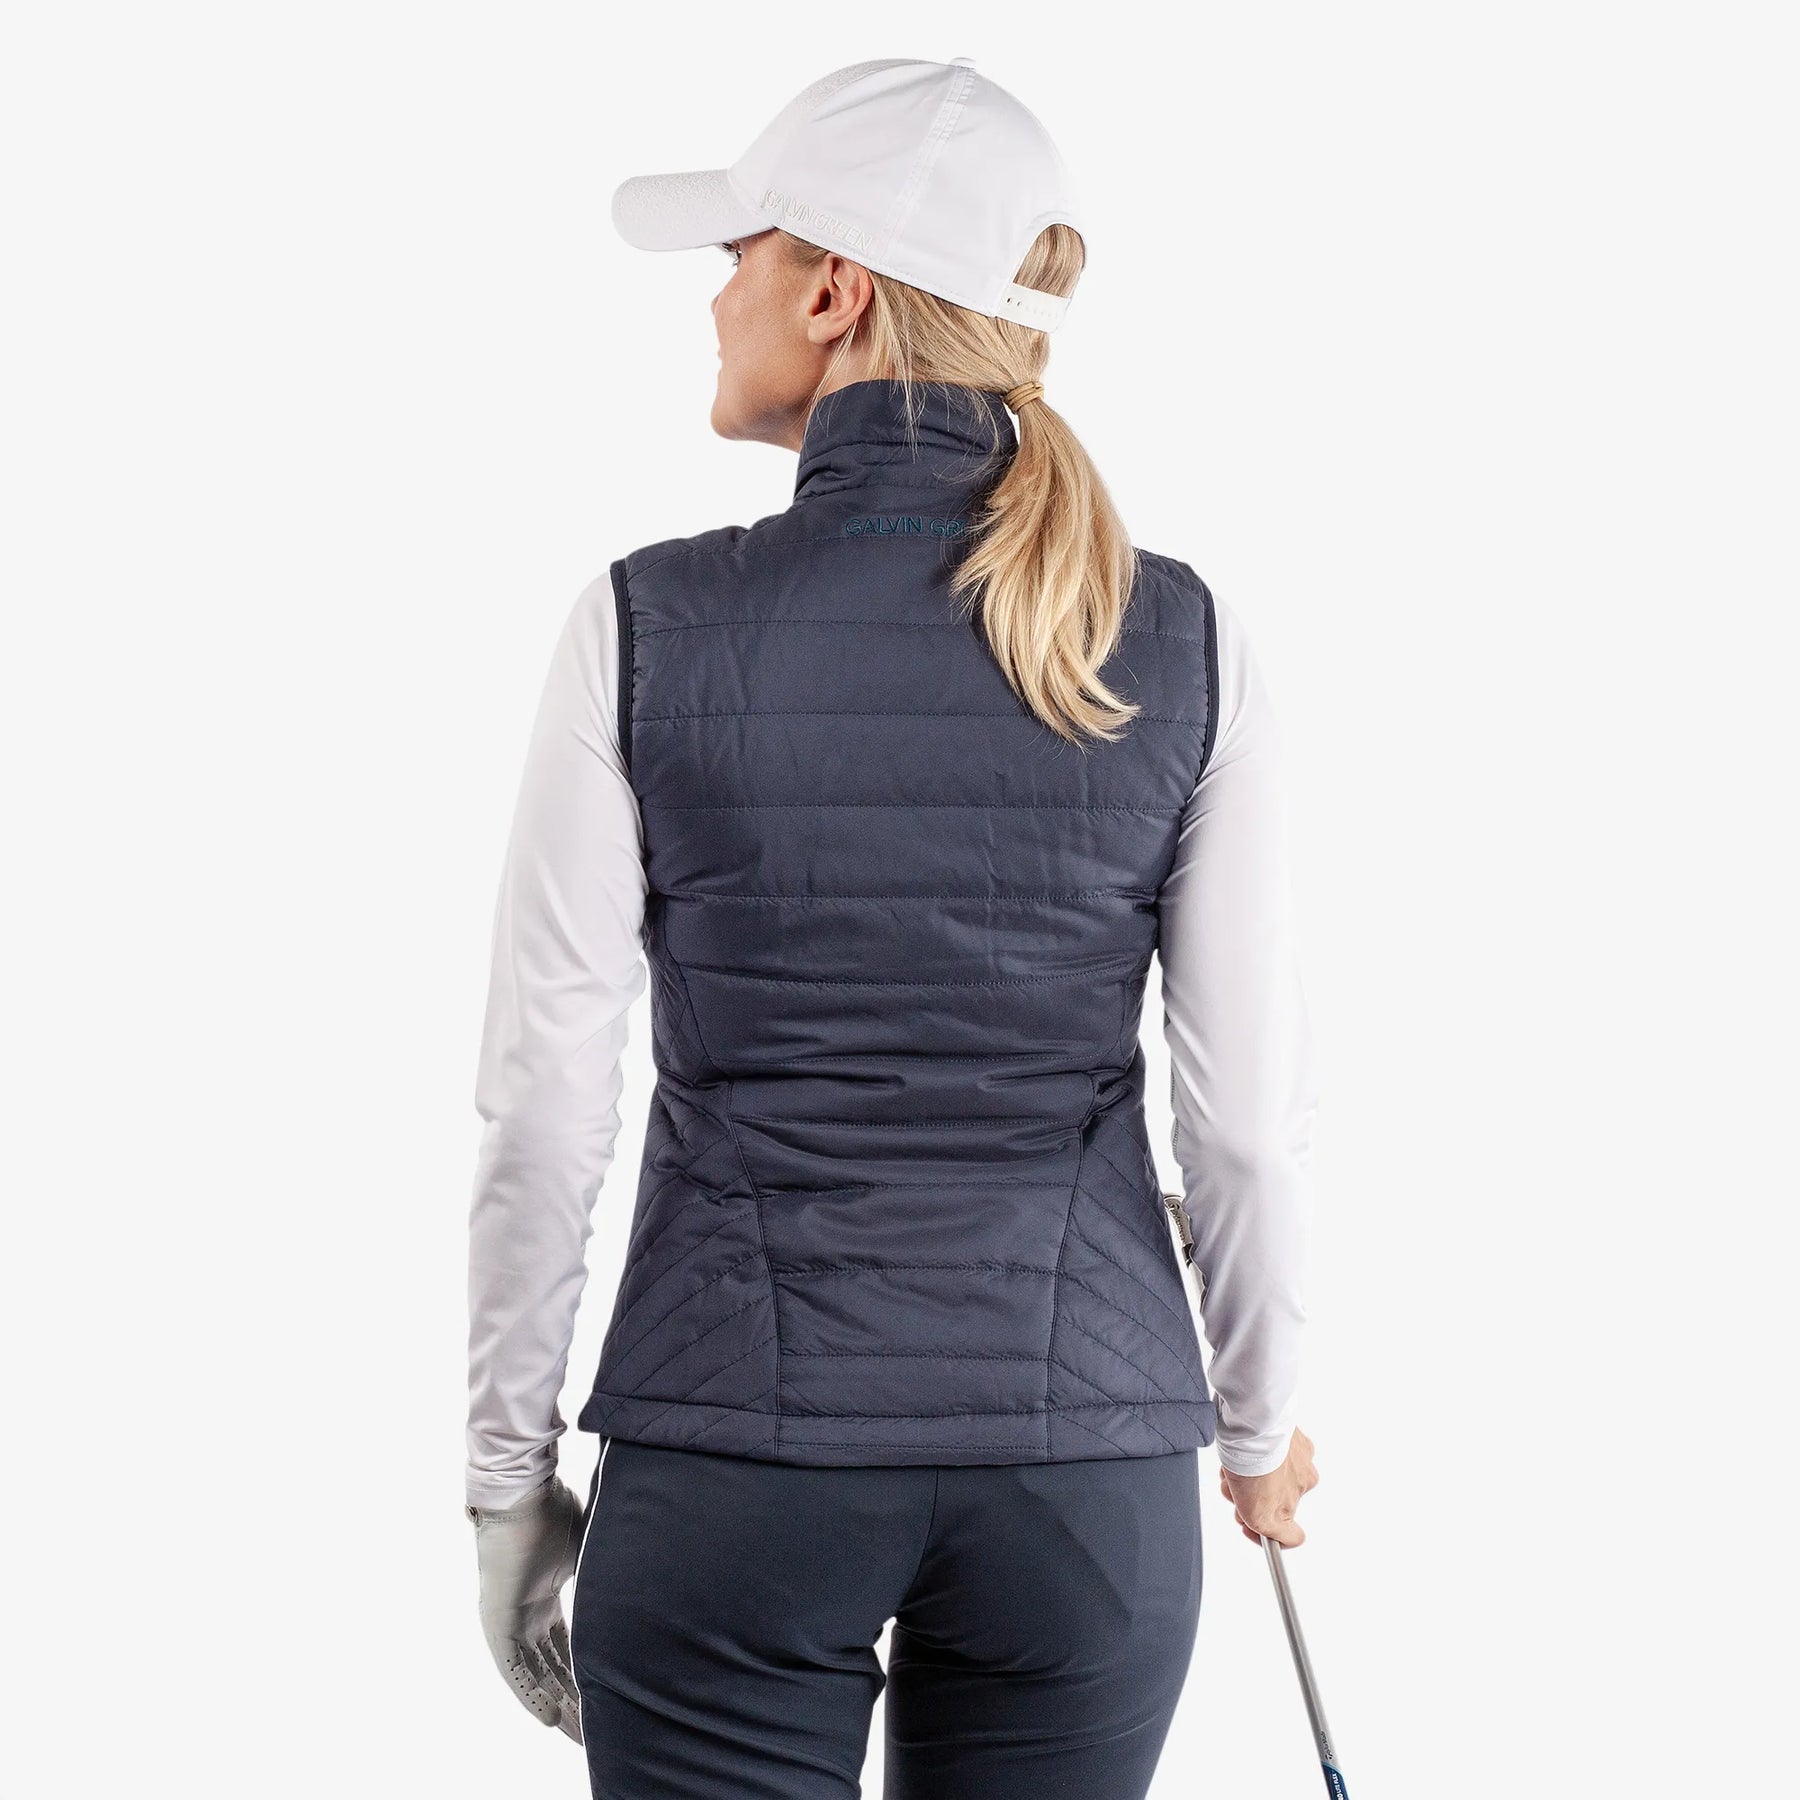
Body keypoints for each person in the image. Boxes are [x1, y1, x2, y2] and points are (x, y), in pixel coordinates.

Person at [465, 55, 1321, 1799]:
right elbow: (1240, 1124)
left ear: (833, 291)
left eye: (739, 253)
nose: (714, 294)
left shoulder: (644, 626)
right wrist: (1255, 1423)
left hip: (735, 1471)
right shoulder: (1185, 638)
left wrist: (503, 1480)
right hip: (1085, 1487)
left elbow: (546, 1107)